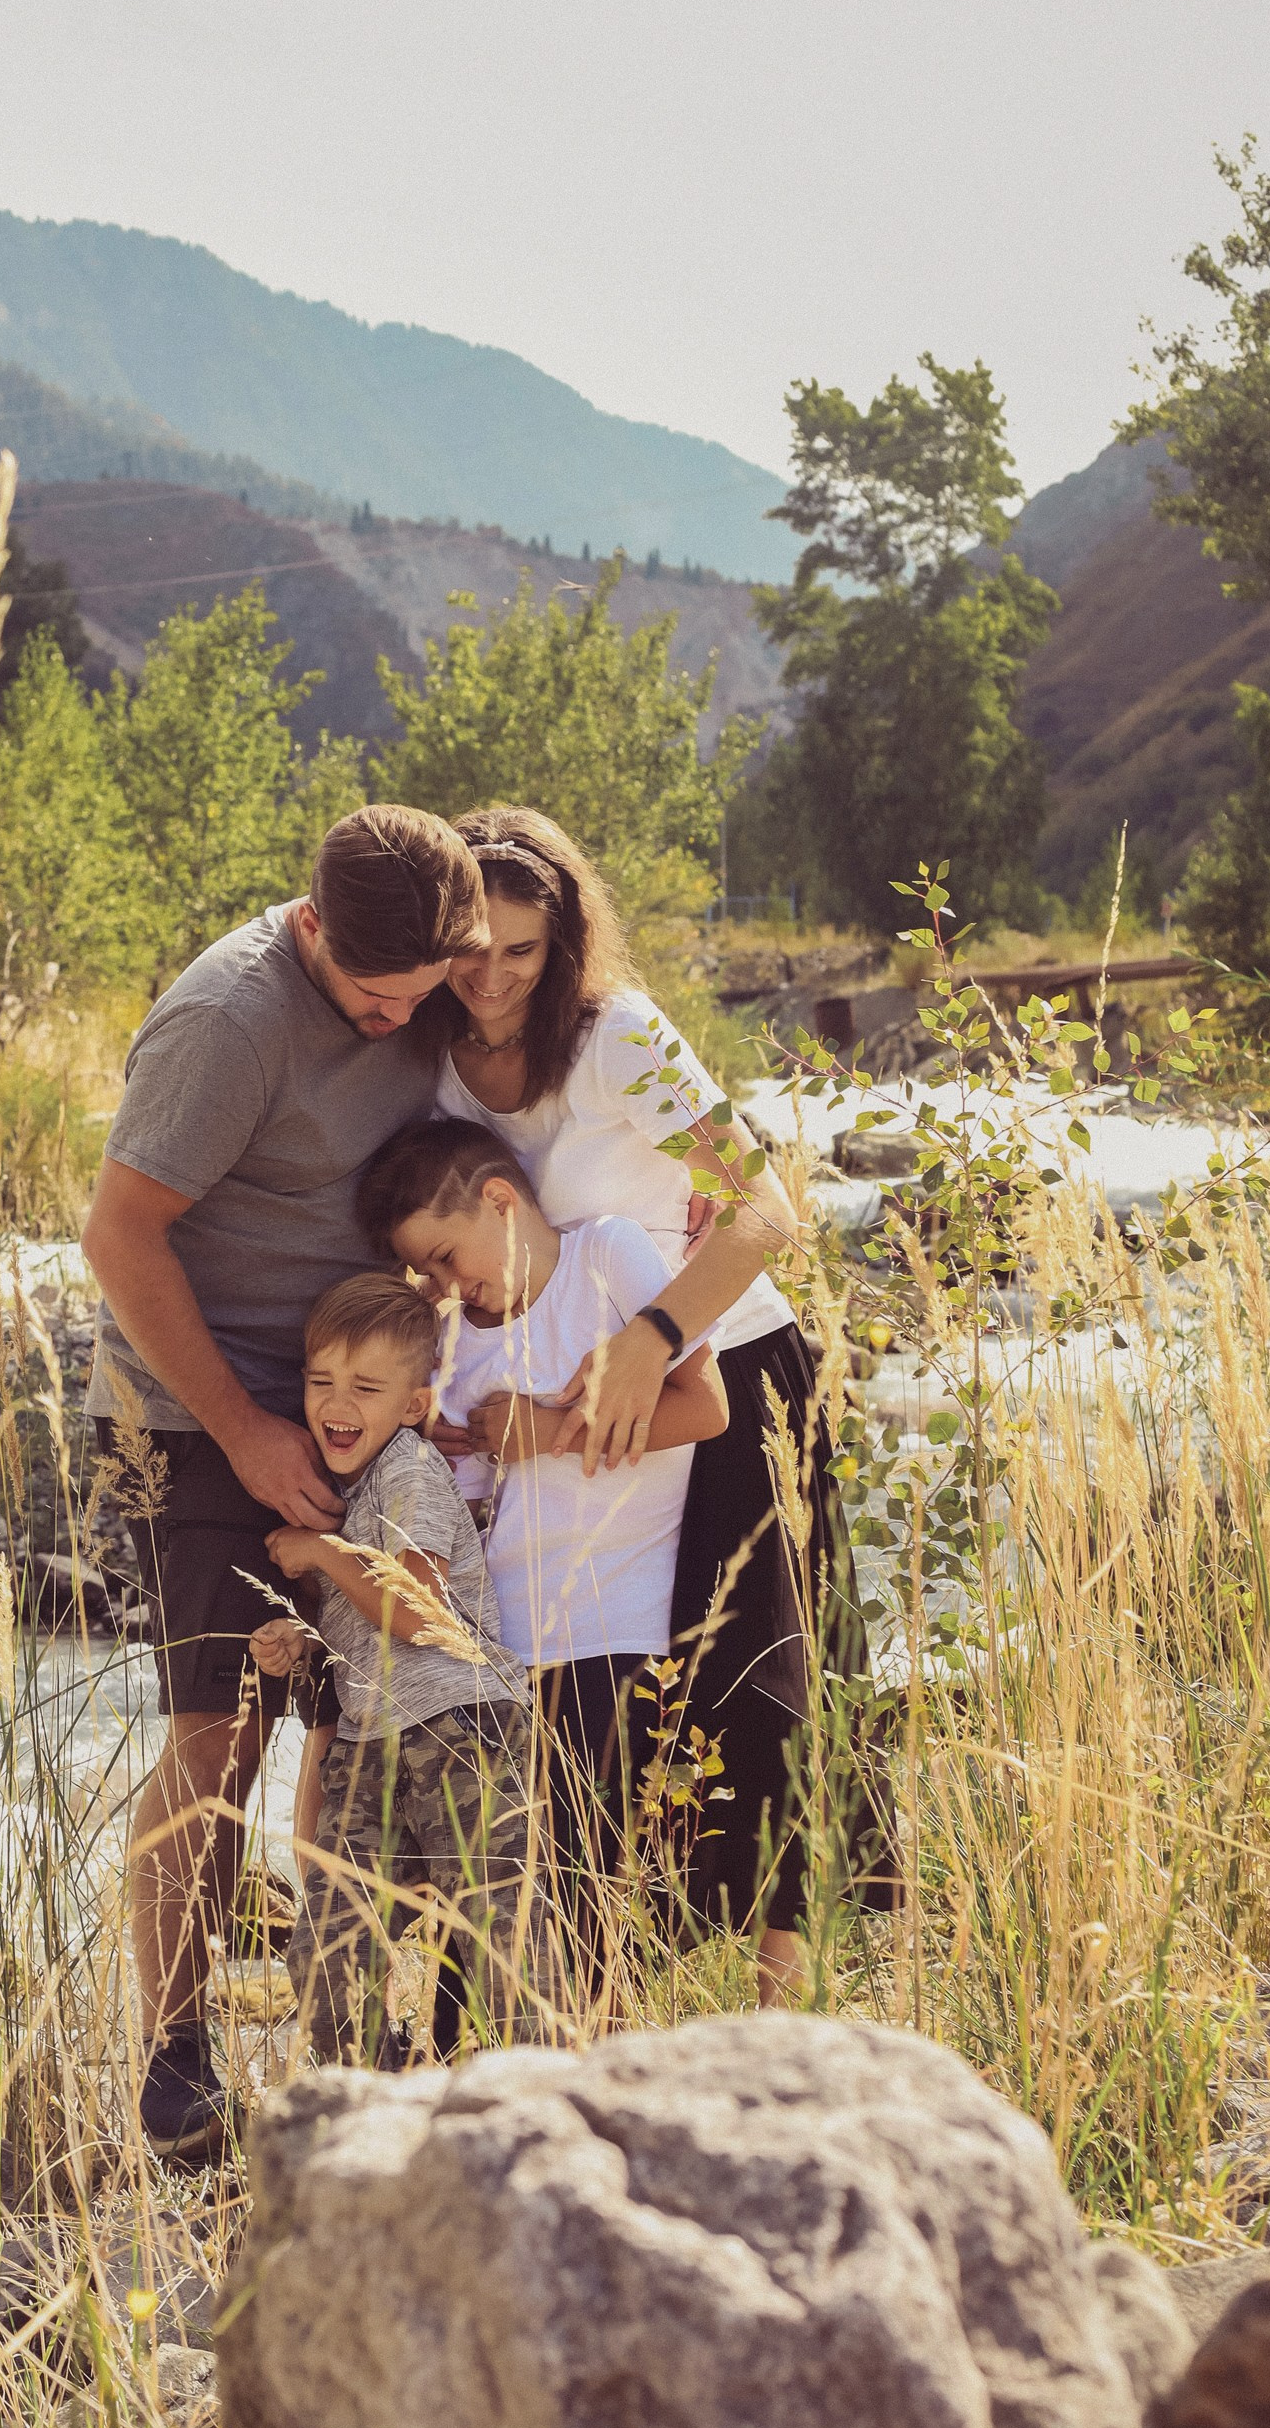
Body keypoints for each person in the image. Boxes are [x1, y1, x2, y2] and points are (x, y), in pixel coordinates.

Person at [81, 805, 487, 2159]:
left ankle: (355, 2028)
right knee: (225, 1728)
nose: (393, 1026)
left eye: (415, 1000)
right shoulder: (229, 1024)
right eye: (371, 1000)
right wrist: (249, 1434)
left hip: (359, 1404)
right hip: (203, 1411)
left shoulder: (432, 979)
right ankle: (177, 2056)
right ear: (311, 929)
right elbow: (119, 1233)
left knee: (369, 1707)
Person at [424, 806, 863, 2004]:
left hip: (719, 1368)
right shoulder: (423, 1055)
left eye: (521, 950)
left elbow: (765, 1210)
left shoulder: (614, 1032)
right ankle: (589, 1987)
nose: (493, 977)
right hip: (574, 1400)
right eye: (471, 947)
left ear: (559, 943)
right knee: (600, 1703)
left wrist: (652, 1333)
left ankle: (786, 2020)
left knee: (757, 1687)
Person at [357, 1119, 728, 1999]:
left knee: (585, 1911)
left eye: (449, 1256)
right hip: (493, 1657)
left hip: (611, 1634)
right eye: (431, 1274)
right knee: (484, 1919)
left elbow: (704, 1407)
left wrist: (547, 1433)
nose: (450, 1284)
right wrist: (442, 1447)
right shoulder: (454, 1337)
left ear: (500, 1199)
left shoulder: (606, 1256)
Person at [247, 1269, 552, 2064]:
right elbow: (371, 1620)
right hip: (371, 1742)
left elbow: (414, 1614)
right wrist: (303, 1641)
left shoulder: (410, 1468)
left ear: (414, 1404)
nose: (336, 1406)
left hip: (461, 1729)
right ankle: (382, 2106)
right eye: (320, 1382)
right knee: (326, 1953)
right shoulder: (351, 1491)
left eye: (366, 1388)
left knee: (502, 1945)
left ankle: (555, 2109)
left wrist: (319, 1552)